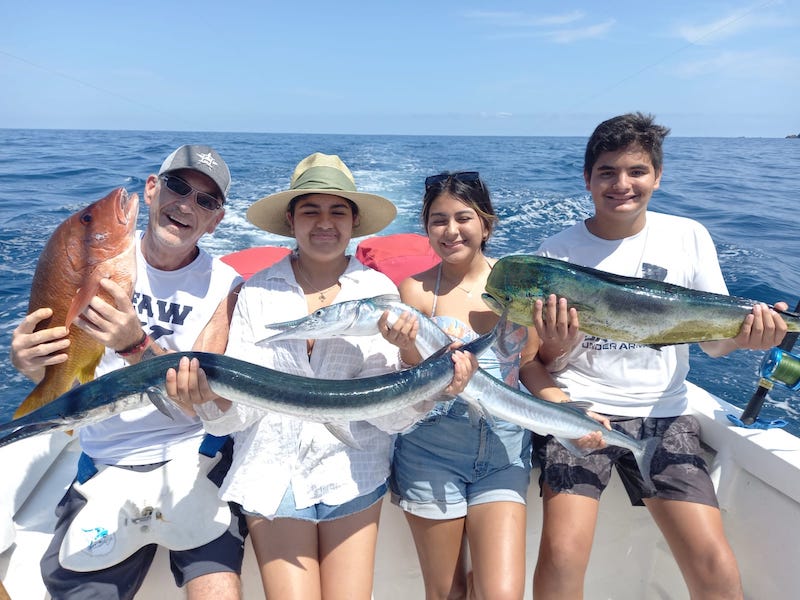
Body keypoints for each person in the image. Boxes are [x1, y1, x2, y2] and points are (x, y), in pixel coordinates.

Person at [167, 152, 478, 600]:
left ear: (354, 223)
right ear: (291, 220)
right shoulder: (256, 293)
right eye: (310, 211)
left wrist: (410, 356)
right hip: (272, 474)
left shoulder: (379, 294)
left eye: (337, 211)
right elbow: (239, 416)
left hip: (353, 469)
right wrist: (207, 403)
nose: (324, 223)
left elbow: (392, 420)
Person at [531, 112, 789, 600]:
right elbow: (540, 361)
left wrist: (747, 336)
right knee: (562, 554)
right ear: (587, 179)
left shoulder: (688, 236)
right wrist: (556, 346)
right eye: (607, 172)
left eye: (636, 171)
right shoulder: (557, 253)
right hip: (583, 410)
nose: (621, 184)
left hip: (665, 413)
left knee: (714, 562)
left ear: (658, 176)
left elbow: (714, 342)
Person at [11, 145, 247, 600]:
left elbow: (210, 400)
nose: (186, 204)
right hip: (103, 459)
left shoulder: (227, 285)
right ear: (153, 190)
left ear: (216, 220)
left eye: (206, 201)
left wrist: (135, 346)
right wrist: (29, 361)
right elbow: (61, 356)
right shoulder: (88, 264)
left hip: (193, 454)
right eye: (178, 187)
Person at [384, 171, 597, 600]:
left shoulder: (519, 288)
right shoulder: (417, 292)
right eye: (438, 220)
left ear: (487, 223)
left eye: (463, 218)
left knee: (501, 593)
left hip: (502, 452)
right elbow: (410, 380)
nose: (451, 230)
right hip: (430, 452)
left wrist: (566, 408)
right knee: (447, 593)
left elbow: (531, 365)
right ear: (426, 227)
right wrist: (408, 352)